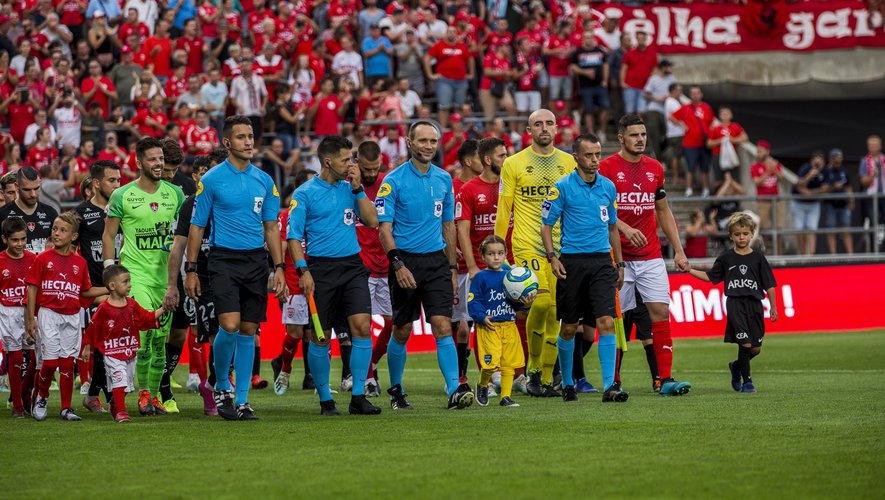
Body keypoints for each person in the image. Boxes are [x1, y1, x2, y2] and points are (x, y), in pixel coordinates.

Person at [185, 116, 287, 421]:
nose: (249, 142)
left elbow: (271, 228)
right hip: (223, 260)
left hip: (256, 261)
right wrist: (191, 269)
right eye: (241, 137)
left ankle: (242, 400)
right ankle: (222, 386)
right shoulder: (212, 180)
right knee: (228, 325)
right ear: (227, 143)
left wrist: (279, 267)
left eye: (251, 136)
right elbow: (197, 226)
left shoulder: (265, 180)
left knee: (248, 329)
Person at [375, 120, 474, 410]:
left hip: (436, 263)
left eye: (433, 141)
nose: (428, 146)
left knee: (444, 325)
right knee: (403, 330)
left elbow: (449, 227)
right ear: (409, 142)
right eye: (423, 141)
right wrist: (397, 264)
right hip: (404, 261)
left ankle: (454, 390)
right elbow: (384, 229)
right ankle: (395, 390)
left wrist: (452, 267)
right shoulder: (393, 180)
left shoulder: (444, 179)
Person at [599, 113, 693, 396]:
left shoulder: (654, 168)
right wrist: (624, 228)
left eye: (643, 135)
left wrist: (678, 250)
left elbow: (663, 210)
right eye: (634, 135)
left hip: (651, 255)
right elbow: (598, 210)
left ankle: (665, 380)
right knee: (620, 320)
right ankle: (613, 381)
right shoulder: (606, 169)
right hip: (618, 258)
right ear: (621, 138)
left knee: (660, 312)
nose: (640, 139)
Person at [287, 135, 381, 416]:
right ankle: (326, 399)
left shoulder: (350, 189)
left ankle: (359, 395)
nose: (351, 164)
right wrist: (303, 271)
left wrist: (358, 189)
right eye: (346, 159)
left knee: (362, 327)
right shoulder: (304, 193)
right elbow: (293, 237)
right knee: (320, 336)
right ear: (328, 161)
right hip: (320, 269)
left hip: (352, 267)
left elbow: (373, 220)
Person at [495, 109, 576, 397]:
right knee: (540, 305)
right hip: (527, 243)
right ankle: (532, 367)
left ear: (557, 128)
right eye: (538, 124)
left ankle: (542, 378)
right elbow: (504, 207)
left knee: (558, 312)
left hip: (562, 246)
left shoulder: (569, 162)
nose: (544, 128)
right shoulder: (513, 163)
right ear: (529, 130)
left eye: (549, 123)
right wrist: (499, 245)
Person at [541, 134, 627, 403]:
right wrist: (552, 257)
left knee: (606, 322)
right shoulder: (562, 187)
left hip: (602, 261)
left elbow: (613, 227)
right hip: (572, 262)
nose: (595, 160)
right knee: (569, 327)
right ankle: (567, 383)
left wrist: (619, 262)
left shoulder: (608, 187)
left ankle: (609, 386)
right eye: (589, 155)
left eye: (598, 154)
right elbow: (546, 225)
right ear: (576, 156)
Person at [102, 137, 184, 416]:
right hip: (136, 274)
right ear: (138, 163)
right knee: (146, 336)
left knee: (161, 340)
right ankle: (143, 394)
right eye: (152, 159)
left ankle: (154, 395)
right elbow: (109, 235)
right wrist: (110, 270)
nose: (158, 163)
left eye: (161, 158)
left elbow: (182, 234)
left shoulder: (175, 194)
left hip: (166, 276)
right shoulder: (122, 195)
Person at [25, 212, 108, 421]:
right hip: (49, 314)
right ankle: (42, 395)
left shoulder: (79, 263)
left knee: (66, 363)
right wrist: (30, 319)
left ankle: (65, 408)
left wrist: (109, 290)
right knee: (50, 363)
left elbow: (85, 292)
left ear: (73, 237)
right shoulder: (42, 258)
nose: (56, 233)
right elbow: (32, 289)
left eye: (63, 230)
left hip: (72, 316)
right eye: (54, 228)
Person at [689, 212, 778, 393]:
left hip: (755, 305)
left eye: (745, 234)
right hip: (735, 304)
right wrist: (688, 269)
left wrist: (773, 307)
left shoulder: (758, 258)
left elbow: (769, 284)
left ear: (752, 234)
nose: (741, 237)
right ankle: (748, 382)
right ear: (731, 236)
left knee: (755, 349)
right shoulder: (726, 258)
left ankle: (736, 367)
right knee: (744, 344)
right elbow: (709, 277)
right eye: (737, 234)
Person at [164, 155, 220, 416]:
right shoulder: (188, 204)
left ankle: (217, 381)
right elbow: (178, 246)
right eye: (202, 172)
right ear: (196, 176)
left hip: (228, 273)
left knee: (228, 332)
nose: (205, 177)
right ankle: (199, 380)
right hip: (195, 276)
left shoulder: (228, 202)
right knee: (195, 329)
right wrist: (180, 278)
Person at [82, 265, 167, 422]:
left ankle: (115, 403)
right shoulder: (104, 308)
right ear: (112, 286)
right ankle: (121, 412)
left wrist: (163, 308)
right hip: (112, 352)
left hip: (129, 351)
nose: (129, 285)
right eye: (125, 282)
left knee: (127, 386)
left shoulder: (132, 304)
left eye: (129, 281)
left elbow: (146, 318)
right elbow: (93, 328)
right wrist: (87, 347)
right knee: (119, 380)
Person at [75, 161, 121, 414]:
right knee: (105, 347)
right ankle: (108, 397)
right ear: (96, 183)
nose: (117, 185)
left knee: (117, 346)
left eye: (119, 180)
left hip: (123, 287)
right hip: (96, 291)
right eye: (112, 180)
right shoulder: (81, 214)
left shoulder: (125, 208)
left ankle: (95, 394)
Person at [468, 235, 533, 408]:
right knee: (490, 364)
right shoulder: (480, 278)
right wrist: (481, 317)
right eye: (491, 254)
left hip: (509, 326)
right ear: (483, 256)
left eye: (500, 253)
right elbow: (473, 301)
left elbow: (516, 305)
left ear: (505, 255)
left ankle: (505, 397)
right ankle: (482, 384)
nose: (496, 257)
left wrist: (526, 305)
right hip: (489, 327)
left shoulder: (510, 277)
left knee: (508, 364)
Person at [271, 171, 314, 397]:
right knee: (296, 333)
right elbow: (282, 247)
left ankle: (317, 381)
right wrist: (280, 277)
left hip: (319, 280)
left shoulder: (320, 213)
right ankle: (285, 369)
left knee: (316, 333)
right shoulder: (286, 216)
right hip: (294, 283)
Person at [354, 142, 392, 397]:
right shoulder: (348, 185)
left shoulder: (388, 184)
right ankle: (367, 378)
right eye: (366, 168)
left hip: (388, 265)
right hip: (360, 268)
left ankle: (373, 364)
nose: (370, 173)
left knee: (395, 324)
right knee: (363, 325)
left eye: (374, 168)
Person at [0, 218, 37, 418]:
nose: (20, 244)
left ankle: (24, 391)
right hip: (8, 312)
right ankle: (17, 405)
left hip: (29, 311)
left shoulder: (33, 259)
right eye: (15, 240)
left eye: (23, 239)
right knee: (14, 356)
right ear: (4, 239)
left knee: (36, 356)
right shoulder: (0, 261)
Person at [0, 167, 58, 254]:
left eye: (36, 188)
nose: (33, 194)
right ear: (17, 187)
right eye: (27, 190)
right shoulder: (2, 214)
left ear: (40, 182)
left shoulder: (51, 213)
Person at [670, 86, 713, 197]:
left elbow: (711, 123)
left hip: (703, 143)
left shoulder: (707, 107)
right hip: (690, 143)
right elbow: (671, 117)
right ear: (690, 95)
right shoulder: (686, 108)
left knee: (705, 168)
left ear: (701, 94)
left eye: (697, 93)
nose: (695, 95)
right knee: (690, 167)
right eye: (693, 93)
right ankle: (689, 189)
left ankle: (706, 189)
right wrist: (682, 125)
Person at [570, 31, 609, 139]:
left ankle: (602, 132)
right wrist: (584, 72)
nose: (589, 39)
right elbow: (573, 67)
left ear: (594, 38)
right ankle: (591, 133)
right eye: (586, 37)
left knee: (605, 108)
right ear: (583, 39)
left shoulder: (600, 51)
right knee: (588, 110)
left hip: (600, 85)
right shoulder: (578, 52)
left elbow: (606, 65)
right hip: (586, 86)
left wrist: (605, 80)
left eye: (590, 37)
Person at [751, 140, 785, 253]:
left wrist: (774, 169)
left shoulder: (775, 164)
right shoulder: (755, 166)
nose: (758, 153)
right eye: (757, 151)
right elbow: (757, 182)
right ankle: (765, 254)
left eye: (760, 151)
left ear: (767, 151)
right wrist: (767, 172)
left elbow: (781, 179)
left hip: (776, 200)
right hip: (763, 201)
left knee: (779, 227)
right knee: (764, 228)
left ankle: (780, 255)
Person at [792, 151, 829, 255]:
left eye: (820, 162)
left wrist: (811, 193)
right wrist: (810, 175)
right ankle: (802, 254)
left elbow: (825, 188)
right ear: (812, 161)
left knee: (811, 229)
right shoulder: (805, 168)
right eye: (816, 162)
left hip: (813, 203)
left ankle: (811, 255)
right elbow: (799, 185)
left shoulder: (825, 171)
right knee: (800, 230)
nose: (818, 165)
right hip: (799, 203)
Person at [822, 149, 854, 254]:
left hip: (843, 203)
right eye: (836, 158)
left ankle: (850, 254)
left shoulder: (844, 171)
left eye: (840, 158)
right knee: (831, 229)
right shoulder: (826, 171)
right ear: (831, 159)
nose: (838, 160)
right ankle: (833, 254)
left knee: (846, 228)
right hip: (831, 204)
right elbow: (823, 188)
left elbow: (848, 186)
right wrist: (833, 187)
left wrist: (851, 200)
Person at [859, 134, 884, 252]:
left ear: (880, 146)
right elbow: (863, 182)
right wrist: (872, 176)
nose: (872, 147)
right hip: (871, 196)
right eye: (870, 145)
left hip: (884, 195)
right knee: (873, 223)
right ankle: (875, 251)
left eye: (875, 145)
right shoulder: (865, 161)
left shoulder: (884, 160)